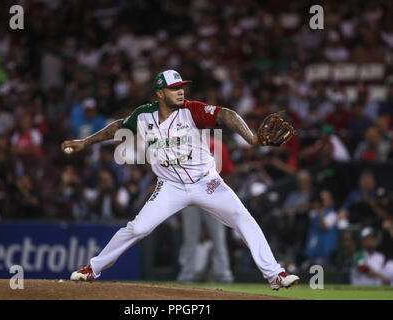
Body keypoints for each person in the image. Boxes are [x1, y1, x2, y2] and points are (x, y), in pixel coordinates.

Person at [62, 70, 299, 290]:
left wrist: (252, 139)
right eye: (174, 88)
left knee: (242, 217)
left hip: (207, 183)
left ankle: (275, 274)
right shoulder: (144, 115)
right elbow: (117, 127)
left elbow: (226, 115)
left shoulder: (192, 110)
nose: (180, 91)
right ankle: (93, 268)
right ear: (159, 93)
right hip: (170, 187)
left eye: (181, 87)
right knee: (138, 228)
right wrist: (85, 142)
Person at [176, 137, 234, 283]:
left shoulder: (218, 145)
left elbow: (227, 172)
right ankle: (187, 274)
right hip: (191, 198)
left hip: (213, 197)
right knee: (190, 238)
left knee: (218, 238)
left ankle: (224, 275)